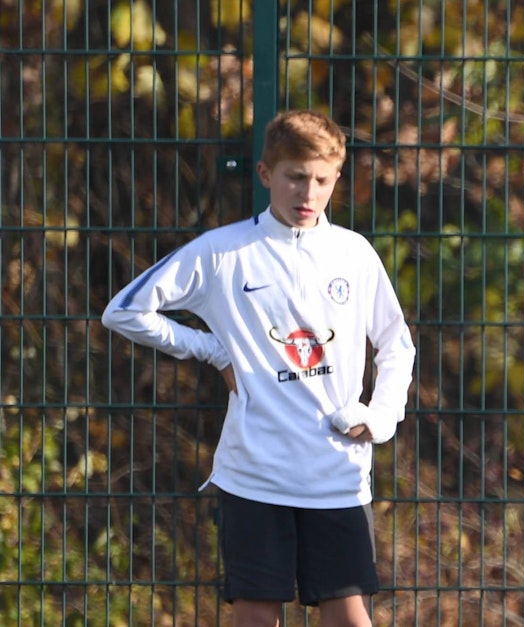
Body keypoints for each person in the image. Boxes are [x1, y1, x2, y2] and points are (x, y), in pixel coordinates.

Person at [101, 110, 416, 627]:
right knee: (255, 613)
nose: (307, 194)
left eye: (320, 180)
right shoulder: (224, 252)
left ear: (337, 177)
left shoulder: (354, 255)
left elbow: (396, 345)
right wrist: (212, 349)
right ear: (266, 173)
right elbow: (125, 311)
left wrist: (382, 416)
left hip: (336, 474)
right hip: (254, 476)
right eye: (295, 177)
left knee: (348, 614)